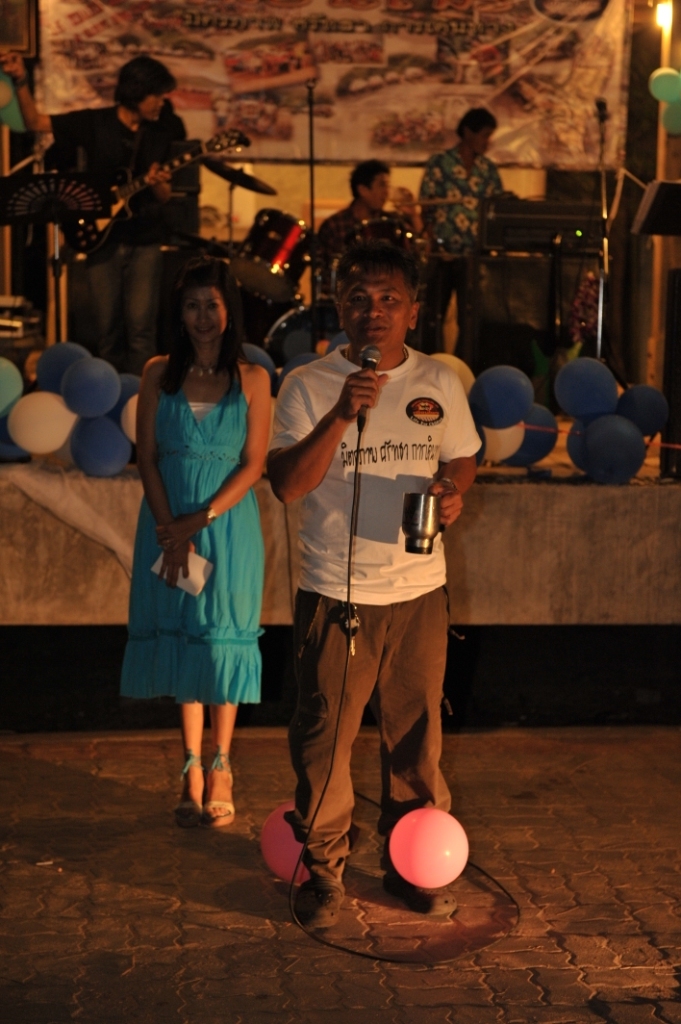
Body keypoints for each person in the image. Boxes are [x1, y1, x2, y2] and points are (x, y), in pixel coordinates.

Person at [267, 241, 481, 929]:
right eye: (358, 298)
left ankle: (410, 864)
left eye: (389, 298)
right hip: (337, 591)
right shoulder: (307, 384)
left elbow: (463, 456)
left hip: (419, 591)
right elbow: (287, 485)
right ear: (339, 308)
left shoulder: (438, 380)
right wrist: (340, 413)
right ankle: (323, 871)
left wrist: (453, 490)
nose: (373, 311)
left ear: (413, 311)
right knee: (324, 738)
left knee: (416, 738)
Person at [120, 256, 271, 828]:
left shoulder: (254, 378)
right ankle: (190, 766)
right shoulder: (158, 373)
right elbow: (147, 458)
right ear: (178, 314)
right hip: (166, 524)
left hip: (227, 526)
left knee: (221, 636)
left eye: (212, 305)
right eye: (191, 306)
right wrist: (171, 529)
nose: (202, 316)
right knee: (185, 634)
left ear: (229, 311)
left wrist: (198, 520)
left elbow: (253, 464)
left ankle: (223, 763)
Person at [0, 52, 186, 374]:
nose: (161, 102)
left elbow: (165, 195)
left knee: (142, 329)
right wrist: (20, 81)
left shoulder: (163, 130)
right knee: (107, 330)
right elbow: (35, 123)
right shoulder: (94, 123)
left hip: (146, 238)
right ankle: (110, 392)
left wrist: (158, 184)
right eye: (156, 95)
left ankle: (142, 395)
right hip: (101, 240)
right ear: (137, 92)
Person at [419, 107, 504, 355]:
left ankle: (464, 367)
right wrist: (435, 243)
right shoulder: (440, 163)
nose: (487, 142)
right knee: (434, 314)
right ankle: (431, 362)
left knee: (470, 318)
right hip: (442, 254)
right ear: (468, 132)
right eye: (484, 135)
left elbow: (498, 209)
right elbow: (427, 205)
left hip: (474, 255)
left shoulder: (488, 169)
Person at [316, 159, 422, 293]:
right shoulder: (335, 224)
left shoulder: (391, 222)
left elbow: (422, 250)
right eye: (382, 185)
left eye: (387, 186)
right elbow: (324, 272)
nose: (386, 192)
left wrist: (413, 215)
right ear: (363, 190)